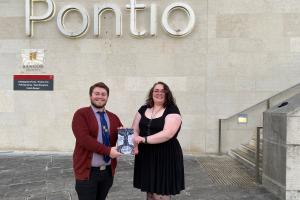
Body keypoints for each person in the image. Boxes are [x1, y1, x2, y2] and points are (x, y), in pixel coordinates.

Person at [132, 81, 185, 200]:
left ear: (167, 94)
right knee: (150, 192)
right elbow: (135, 128)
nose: (159, 93)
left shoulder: (172, 110)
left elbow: (167, 134)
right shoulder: (143, 108)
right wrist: (135, 139)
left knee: (161, 193)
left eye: (163, 91)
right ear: (151, 93)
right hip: (146, 155)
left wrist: (143, 139)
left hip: (165, 154)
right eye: (156, 90)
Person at [71, 82, 123, 200]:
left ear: (107, 97)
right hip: (88, 173)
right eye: (97, 93)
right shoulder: (81, 114)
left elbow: (119, 139)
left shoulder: (113, 117)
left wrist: (124, 135)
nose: (100, 96)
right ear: (90, 96)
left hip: (107, 172)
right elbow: (84, 139)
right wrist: (108, 151)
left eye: (103, 94)